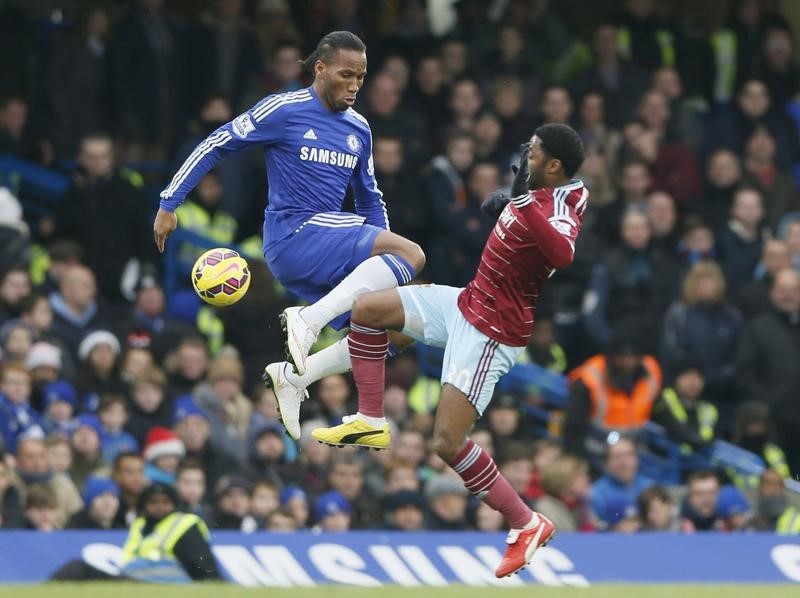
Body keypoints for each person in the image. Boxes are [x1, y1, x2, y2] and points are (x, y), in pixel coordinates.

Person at [312, 123, 587, 577]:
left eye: (534, 152)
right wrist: (511, 201)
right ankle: (371, 419)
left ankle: (526, 522)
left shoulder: (560, 205)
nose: (525, 155)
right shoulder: (541, 190)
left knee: (447, 442)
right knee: (368, 309)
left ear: (555, 166)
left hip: (491, 332)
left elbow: (561, 253)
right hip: (467, 301)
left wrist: (519, 203)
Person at [152, 32, 425, 440]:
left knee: (405, 324)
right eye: (346, 74)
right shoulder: (286, 108)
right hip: (293, 235)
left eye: (361, 78)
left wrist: (377, 265)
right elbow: (218, 142)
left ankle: (296, 378)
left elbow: (370, 199)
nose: (354, 85)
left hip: (328, 249)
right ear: (320, 68)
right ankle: (307, 320)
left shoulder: (359, 129)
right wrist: (169, 202)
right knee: (413, 253)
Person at [51, 482, 222, 582]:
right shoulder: (139, 526)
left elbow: (206, 570)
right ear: (144, 506)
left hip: (163, 585)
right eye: (153, 502)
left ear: (175, 504)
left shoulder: (184, 525)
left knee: (78, 569)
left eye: (165, 502)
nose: (160, 507)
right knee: (77, 570)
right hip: (134, 581)